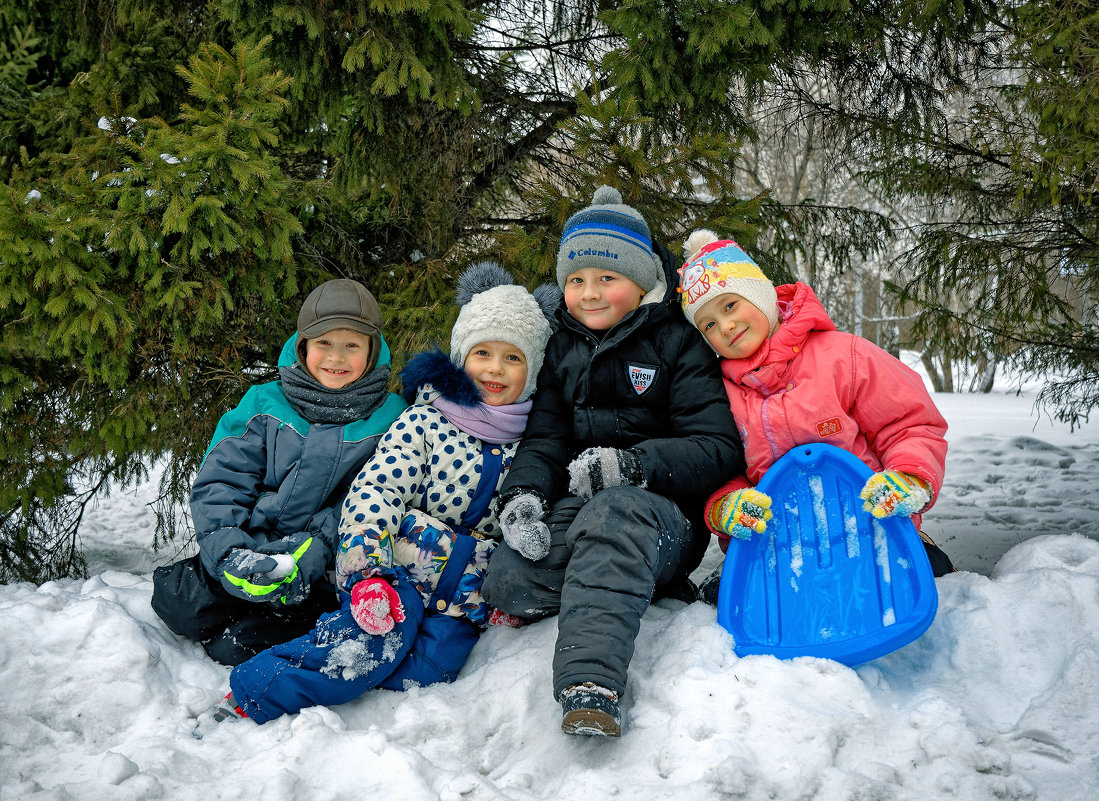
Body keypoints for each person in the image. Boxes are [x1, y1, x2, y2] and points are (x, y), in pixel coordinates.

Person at [194, 263, 558, 731]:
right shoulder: (425, 422)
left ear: (533, 370)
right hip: (397, 569)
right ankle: (256, 691)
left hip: (463, 596)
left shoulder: (534, 444)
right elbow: (374, 493)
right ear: (460, 356)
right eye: (482, 352)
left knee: (431, 669)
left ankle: (356, 704)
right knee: (368, 647)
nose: (494, 368)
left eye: (513, 358)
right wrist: (369, 573)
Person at [481, 186, 746, 738]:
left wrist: (635, 464)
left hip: (661, 515)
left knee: (615, 518)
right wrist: (525, 496)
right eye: (576, 280)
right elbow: (546, 438)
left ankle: (590, 684)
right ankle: (624, 579)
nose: (589, 293)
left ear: (643, 279)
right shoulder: (562, 347)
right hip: (582, 506)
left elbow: (718, 448)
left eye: (607, 278)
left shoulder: (679, 343)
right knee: (508, 578)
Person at [675, 229, 955, 606]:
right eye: (707, 324)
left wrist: (909, 475)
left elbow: (909, 423)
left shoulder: (844, 357)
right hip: (777, 545)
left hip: (871, 526)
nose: (724, 326)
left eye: (729, 306)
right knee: (725, 600)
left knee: (925, 576)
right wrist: (726, 504)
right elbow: (715, 461)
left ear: (761, 295)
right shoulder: (717, 392)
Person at [151, 279, 406, 666]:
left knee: (235, 646)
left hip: (319, 569)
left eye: (351, 345)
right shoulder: (264, 402)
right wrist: (230, 551)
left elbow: (370, 497)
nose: (335, 357)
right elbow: (222, 480)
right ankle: (242, 588)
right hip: (251, 545)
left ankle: (282, 623)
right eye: (324, 343)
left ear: (372, 352)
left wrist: (316, 548)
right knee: (175, 602)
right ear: (303, 345)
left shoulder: (392, 417)